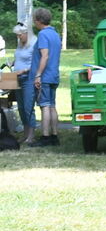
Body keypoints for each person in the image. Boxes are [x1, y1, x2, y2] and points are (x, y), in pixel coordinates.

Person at [30, 8, 61, 146]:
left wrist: (38, 75)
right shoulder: (55, 34)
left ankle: (45, 137)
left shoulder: (43, 34)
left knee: (44, 106)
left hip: (45, 76)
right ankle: (55, 136)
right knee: (52, 106)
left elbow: (45, 56)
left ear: (39, 20)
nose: (34, 22)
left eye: (34, 20)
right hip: (54, 74)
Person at [10, 23, 37, 144]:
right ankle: (25, 134)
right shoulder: (20, 44)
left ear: (26, 33)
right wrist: (13, 63)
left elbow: (36, 63)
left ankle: (31, 135)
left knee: (28, 107)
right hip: (17, 78)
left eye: (20, 35)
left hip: (28, 78)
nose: (18, 37)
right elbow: (19, 57)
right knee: (20, 107)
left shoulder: (33, 44)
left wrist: (24, 70)